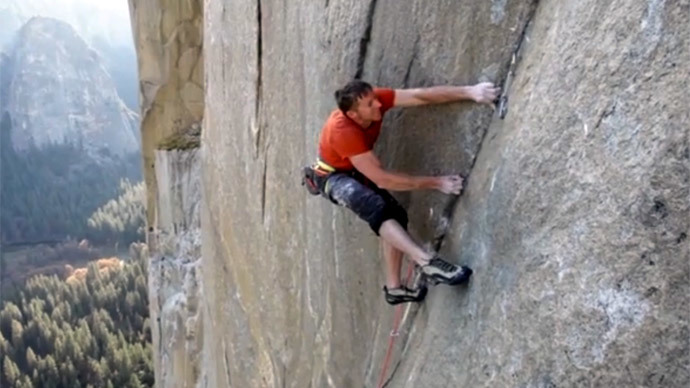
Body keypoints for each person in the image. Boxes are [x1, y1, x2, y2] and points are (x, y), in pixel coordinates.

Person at [309, 80, 499, 305]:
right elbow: (383, 179)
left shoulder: (374, 99)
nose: (379, 105)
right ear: (352, 114)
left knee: (396, 215)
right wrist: (436, 183)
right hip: (330, 177)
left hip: (353, 168)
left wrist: (470, 92)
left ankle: (394, 289)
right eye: (370, 105)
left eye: (375, 99)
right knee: (375, 208)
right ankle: (426, 261)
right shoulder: (343, 132)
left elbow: (421, 96)